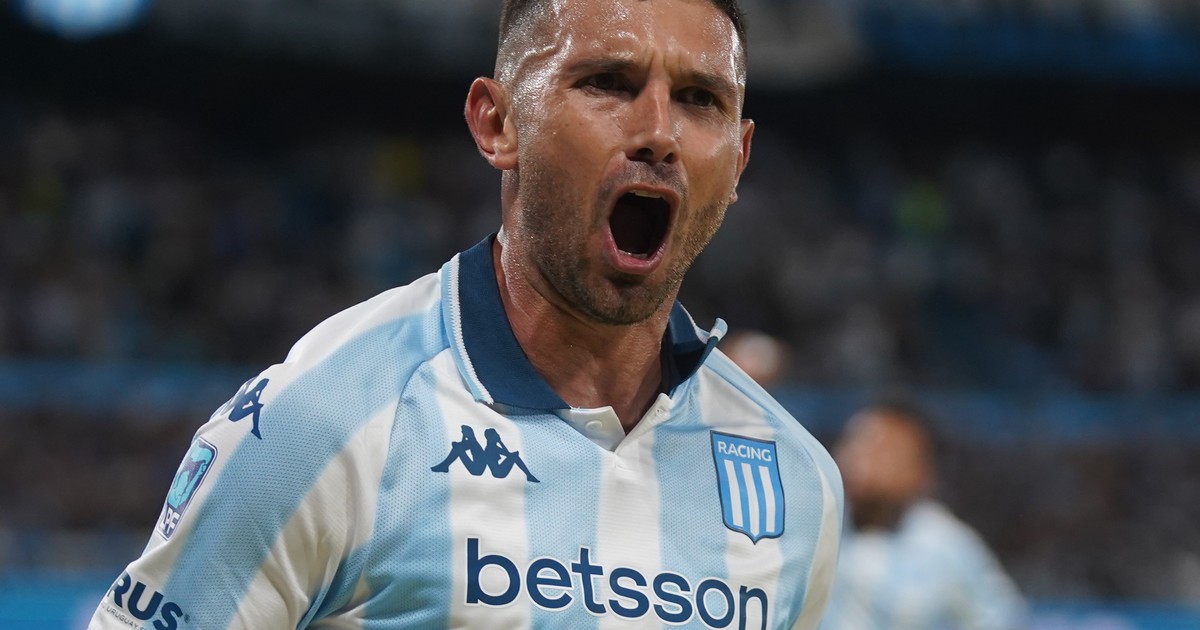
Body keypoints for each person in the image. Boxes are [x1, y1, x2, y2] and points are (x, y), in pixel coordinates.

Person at [88, 0, 844, 628]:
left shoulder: (796, 479)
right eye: (608, 83)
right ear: (497, 124)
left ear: (739, 159)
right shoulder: (326, 417)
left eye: (700, 99)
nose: (659, 133)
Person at [821, 395, 1027, 630]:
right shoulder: (812, 524)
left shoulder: (946, 544)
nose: (863, 459)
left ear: (922, 473)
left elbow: (1002, 617)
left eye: (885, 450)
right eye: (857, 443)